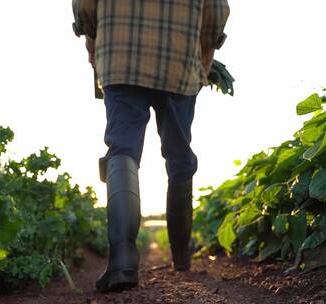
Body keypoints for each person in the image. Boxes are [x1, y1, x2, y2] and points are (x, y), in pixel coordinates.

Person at [72, 0, 230, 293]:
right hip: (179, 56)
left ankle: (122, 261)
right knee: (179, 154)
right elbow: (216, 11)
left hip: (119, 52)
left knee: (122, 149)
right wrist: (205, 54)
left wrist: (93, 39)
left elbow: (84, 6)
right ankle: (181, 257)